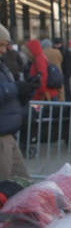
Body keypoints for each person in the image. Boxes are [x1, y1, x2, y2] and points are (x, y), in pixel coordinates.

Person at [0, 24, 38, 185]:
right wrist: (15, 88)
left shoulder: (2, 66)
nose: (4, 49)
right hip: (2, 137)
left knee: (23, 187)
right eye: (1, 44)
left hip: (8, 135)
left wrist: (26, 91)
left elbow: (8, 99)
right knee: (6, 190)